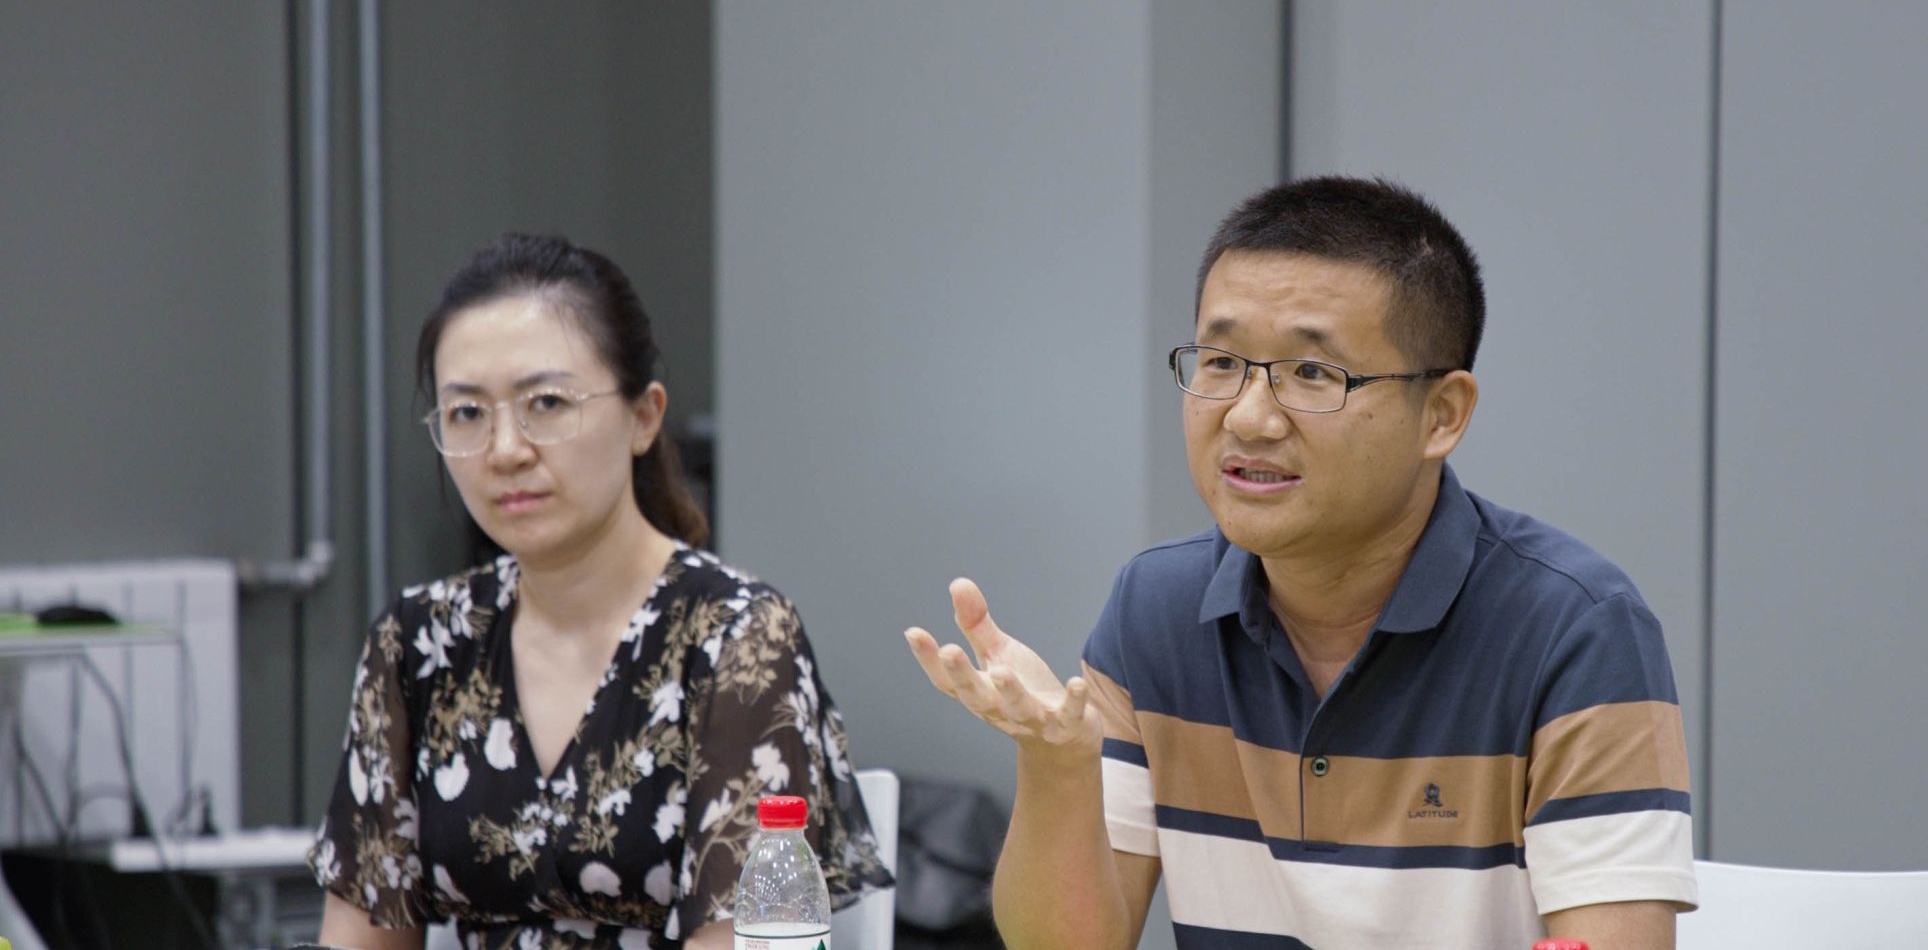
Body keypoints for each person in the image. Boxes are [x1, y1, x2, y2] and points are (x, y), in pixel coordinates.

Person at [906, 176, 1697, 949]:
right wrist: (1057, 767)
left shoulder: (1576, 629)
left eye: (1313, 373)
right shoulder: (1156, 608)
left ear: (1442, 414)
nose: (1249, 418)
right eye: (1220, 363)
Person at [309, 233, 892, 949]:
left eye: (547, 403)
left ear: (644, 416)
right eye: (467, 413)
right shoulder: (420, 643)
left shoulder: (736, 637)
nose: (505, 450)